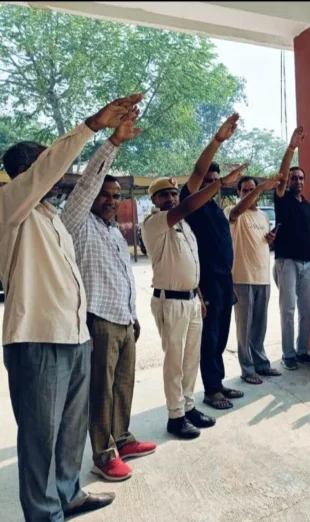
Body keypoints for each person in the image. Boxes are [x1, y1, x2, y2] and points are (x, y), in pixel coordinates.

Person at [1, 93, 142, 521]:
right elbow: (52, 169)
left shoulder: (51, 218)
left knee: (68, 431)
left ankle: (68, 494)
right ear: (26, 173)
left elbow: (85, 188)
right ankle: (45, 514)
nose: (60, 174)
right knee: (40, 438)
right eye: (49, 164)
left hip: (75, 337)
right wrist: (90, 126)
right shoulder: (10, 207)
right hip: (37, 339)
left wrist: (112, 143)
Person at [62, 109, 156, 482]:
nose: (111, 200)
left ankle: (121, 437)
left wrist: (133, 316)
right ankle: (103, 454)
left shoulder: (115, 232)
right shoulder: (78, 222)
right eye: (106, 194)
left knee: (123, 385)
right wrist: (113, 143)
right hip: (97, 320)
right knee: (100, 393)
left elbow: (123, 278)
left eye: (116, 196)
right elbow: (86, 185)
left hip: (122, 319)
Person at [141, 162, 248, 439]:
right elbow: (188, 202)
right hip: (171, 302)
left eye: (173, 194)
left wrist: (198, 295)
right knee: (175, 362)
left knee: (189, 360)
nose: (170, 199)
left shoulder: (185, 227)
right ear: (154, 200)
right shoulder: (154, 223)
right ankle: (175, 416)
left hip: (191, 300)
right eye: (163, 195)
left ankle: (188, 408)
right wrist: (221, 180)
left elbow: (193, 265)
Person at [179, 115, 245, 410]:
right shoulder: (190, 203)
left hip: (224, 280)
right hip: (205, 281)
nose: (210, 185)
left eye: (215, 181)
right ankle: (210, 390)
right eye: (206, 181)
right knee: (209, 337)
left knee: (221, 336)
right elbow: (197, 171)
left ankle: (217, 382)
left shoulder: (216, 209)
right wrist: (217, 141)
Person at [225, 173, 283, 384]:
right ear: (238, 193)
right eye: (245, 190)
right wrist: (262, 187)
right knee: (244, 326)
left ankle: (261, 364)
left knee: (260, 326)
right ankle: (247, 369)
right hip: (241, 277)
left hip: (262, 277)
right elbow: (239, 209)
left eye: (253, 190)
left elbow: (263, 243)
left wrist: (270, 239)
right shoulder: (233, 212)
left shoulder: (263, 217)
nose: (249, 194)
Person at [273, 125, 310, 371]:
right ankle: (288, 353)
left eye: (301, 178)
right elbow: (281, 177)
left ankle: (302, 351)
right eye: (294, 178)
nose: (298, 181)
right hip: (287, 261)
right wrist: (291, 148)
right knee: (288, 309)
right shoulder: (282, 198)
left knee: (306, 308)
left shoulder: (307, 205)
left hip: (307, 263)